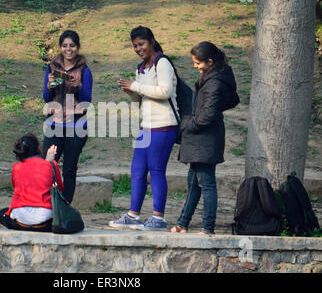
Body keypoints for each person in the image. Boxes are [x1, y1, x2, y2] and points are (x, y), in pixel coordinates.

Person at [109, 26, 179, 231]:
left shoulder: (162, 62)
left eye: (141, 44)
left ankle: (158, 218)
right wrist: (130, 91)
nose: (138, 48)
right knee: (137, 170)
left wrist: (136, 86)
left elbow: (165, 91)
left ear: (151, 41)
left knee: (156, 170)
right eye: (135, 46)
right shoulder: (141, 68)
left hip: (164, 125)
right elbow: (141, 98)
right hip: (146, 126)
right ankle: (133, 215)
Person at [170, 41, 239, 235]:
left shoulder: (215, 82)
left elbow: (207, 115)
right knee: (194, 183)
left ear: (209, 61)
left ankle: (208, 228)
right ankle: (183, 223)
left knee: (206, 184)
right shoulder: (215, 76)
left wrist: (186, 125)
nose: (195, 66)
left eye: (197, 63)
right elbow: (229, 101)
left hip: (205, 138)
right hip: (203, 138)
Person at [42, 30, 93, 204]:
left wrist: (79, 86)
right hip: (55, 124)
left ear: (78, 48)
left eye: (72, 46)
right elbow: (46, 98)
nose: (68, 49)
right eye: (65, 46)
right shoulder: (52, 68)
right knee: (48, 166)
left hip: (76, 126)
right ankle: (47, 202)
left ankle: (65, 205)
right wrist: (49, 85)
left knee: (69, 169)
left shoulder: (85, 71)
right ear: (60, 47)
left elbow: (87, 101)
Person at [0, 133, 63, 232]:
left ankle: (26, 227)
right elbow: (60, 188)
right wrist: (49, 162)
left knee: (2, 214)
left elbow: (17, 188)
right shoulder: (51, 165)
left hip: (22, 217)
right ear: (38, 148)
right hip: (45, 217)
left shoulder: (16, 167)